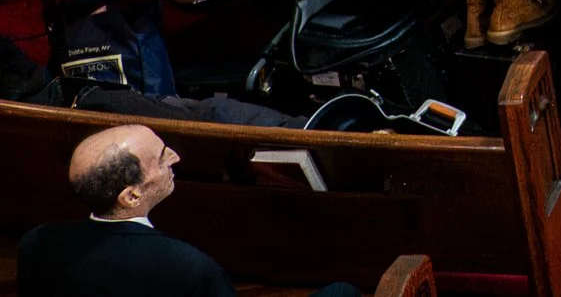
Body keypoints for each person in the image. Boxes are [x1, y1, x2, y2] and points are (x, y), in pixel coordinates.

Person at [19, 124, 362, 297]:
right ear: (132, 196)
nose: (175, 159)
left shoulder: (35, 244)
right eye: (162, 157)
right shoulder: (186, 267)